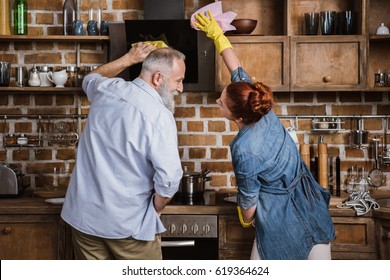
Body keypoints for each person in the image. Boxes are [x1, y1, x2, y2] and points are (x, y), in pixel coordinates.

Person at [194, 11, 335, 260]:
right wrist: (218, 36)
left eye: (221, 103)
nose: (218, 100)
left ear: (237, 117)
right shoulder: (260, 106)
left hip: (282, 227)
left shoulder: (244, 148)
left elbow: (248, 211)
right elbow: (235, 66)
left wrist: (244, 213)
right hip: (313, 210)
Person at [61, 43, 186, 260]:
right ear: (158, 78)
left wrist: (129, 58)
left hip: (84, 220)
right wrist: (154, 210)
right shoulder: (160, 116)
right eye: (179, 81)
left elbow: (89, 78)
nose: (180, 88)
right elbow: (169, 181)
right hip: (129, 227)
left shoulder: (107, 89)